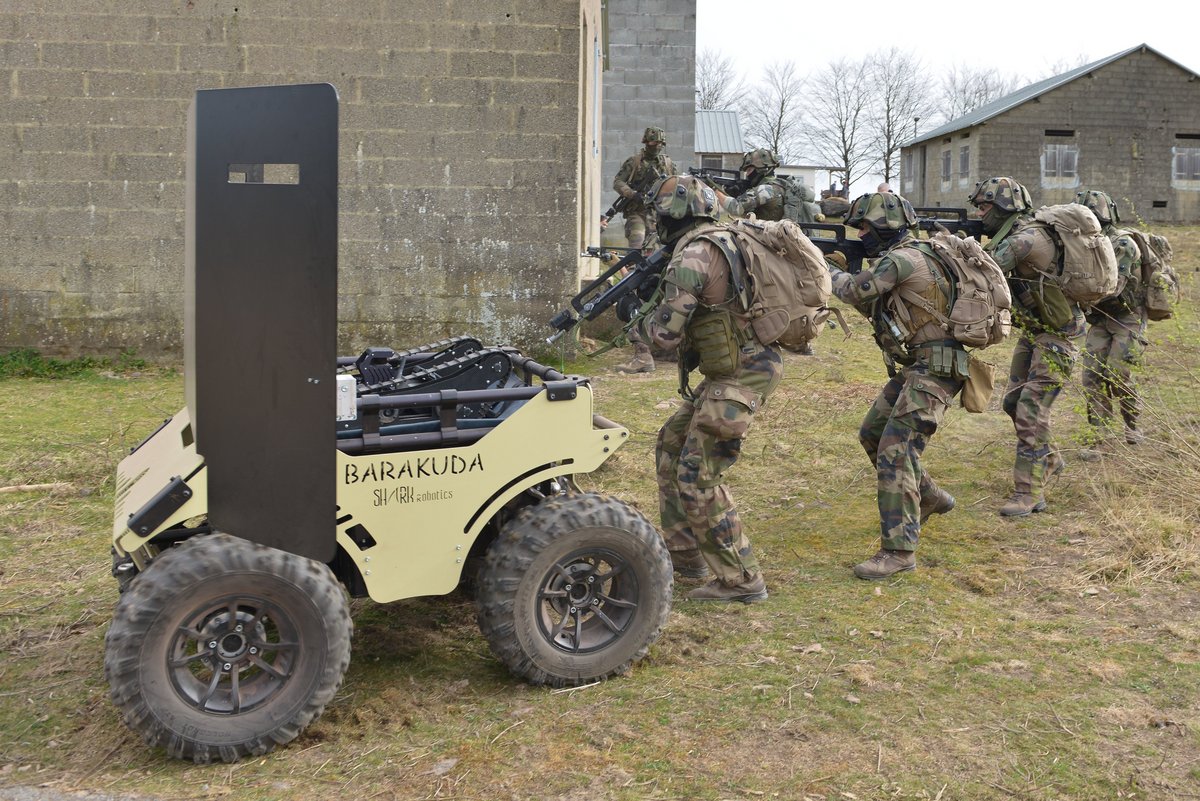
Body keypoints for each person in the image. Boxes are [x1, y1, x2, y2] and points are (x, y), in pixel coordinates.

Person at [632, 174, 781, 603]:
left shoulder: (694, 257)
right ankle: (686, 553)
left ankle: (741, 579)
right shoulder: (723, 240)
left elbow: (664, 338)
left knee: (698, 473)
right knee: (672, 442)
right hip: (737, 368)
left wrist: (640, 319)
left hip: (743, 374)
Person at [822, 192, 960, 580]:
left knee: (896, 452)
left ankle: (899, 551)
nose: (861, 234)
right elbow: (876, 305)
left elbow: (853, 291)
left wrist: (823, 268)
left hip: (935, 367)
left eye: (865, 226)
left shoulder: (902, 258)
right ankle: (929, 497)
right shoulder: (910, 255)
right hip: (920, 365)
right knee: (873, 433)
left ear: (885, 225)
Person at [970, 176, 1080, 517]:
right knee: (1014, 402)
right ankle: (1048, 458)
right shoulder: (1014, 234)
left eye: (986, 207)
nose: (980, 214)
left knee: (1031, 407)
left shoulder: (1026, 238)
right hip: (1036, 330)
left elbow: (984, 273)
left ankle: (1028, 492)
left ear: (1004, 206)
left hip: (1059, 335)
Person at [718, 148, 820, 355]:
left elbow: (736, 208)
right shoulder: (783, 185)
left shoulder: (766, 189)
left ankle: (758, 338)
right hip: (788, 248)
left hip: (771, 250)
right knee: (795, 295)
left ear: (760, 169)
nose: (747, 174)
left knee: (763, 294)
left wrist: (715, 193)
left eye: (749, 169)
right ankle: (801, 340)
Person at [1074, 190, 1147, 451]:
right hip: (1100, 318)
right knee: (1091, 375)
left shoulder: (1123, 245)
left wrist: (1076, 293)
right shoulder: (1083, 244)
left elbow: (1113, 288)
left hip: (1127, 317)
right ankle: (1098, 436)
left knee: (1118, 373)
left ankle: (1133, 424)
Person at [610, 127, 678, 374]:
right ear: (646, 143)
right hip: (638, 214)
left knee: (663, 281)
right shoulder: (635, 162)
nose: (656, 146)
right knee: (637, 257)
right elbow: (618, 181)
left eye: (659, 143)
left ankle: (664, 348)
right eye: (652, 142)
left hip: (661, 219)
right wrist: (634, 194)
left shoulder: (669, 165)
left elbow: (677, 186)